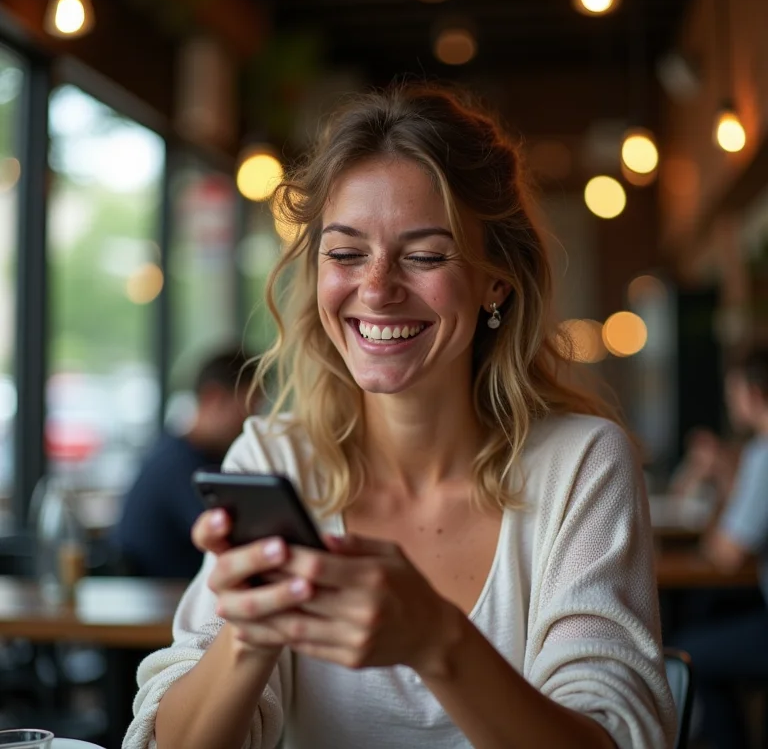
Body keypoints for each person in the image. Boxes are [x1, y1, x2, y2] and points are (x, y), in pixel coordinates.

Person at [123, 85, 675, 749]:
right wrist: (249, 632)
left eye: (425, 255)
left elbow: (615, 737)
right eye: (347, 252)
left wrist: (436, 640)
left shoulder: (581, 466)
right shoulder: (274, 462)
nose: (377, 288)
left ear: (496, 278)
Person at [673, 348, 768, 749]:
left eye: (733, 394)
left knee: (686, 654)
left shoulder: (763, 454)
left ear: (753, 394)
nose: (730, 403)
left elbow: (727, 552)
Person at [112, 348, 257, 580]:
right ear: (214, 397)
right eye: (248, 406)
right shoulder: (181, 466)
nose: (252, 422)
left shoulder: (183, 454)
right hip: (161, 605)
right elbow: (234, 536)